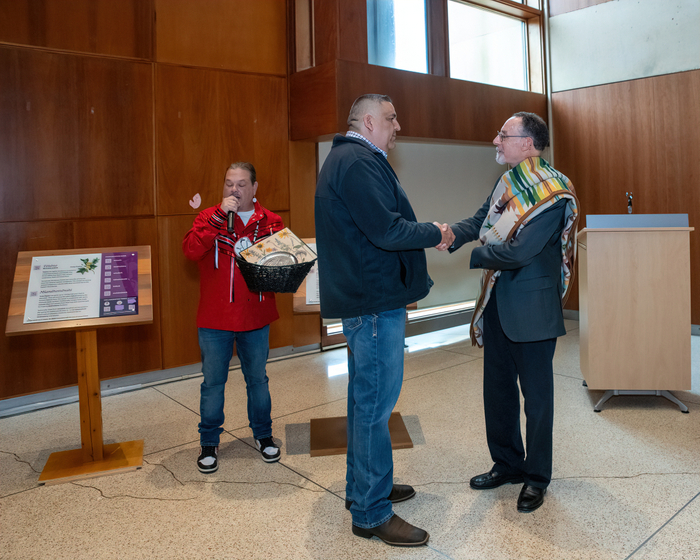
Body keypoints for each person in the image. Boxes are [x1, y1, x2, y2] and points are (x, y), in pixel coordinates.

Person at [315, 94, 454, 547]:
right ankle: (372, 513)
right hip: (373, 304)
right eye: (392, 118)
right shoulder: (356, 162)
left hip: (367, 299)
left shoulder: (354, 158)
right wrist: (436, 232)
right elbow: (386, 229)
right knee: (374, 409)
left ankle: (364, 489)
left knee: (365, 404)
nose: (399, 125)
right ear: (369, 121)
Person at [448, 112, 579, 513]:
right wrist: (450, 234)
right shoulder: (508, 183)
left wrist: (477, 254)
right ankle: (506, 464)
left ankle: (537, 478)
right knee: (498, 393)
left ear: (527, 143)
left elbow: (521, 251)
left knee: (537, 401)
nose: (495, 140)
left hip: (534, 311)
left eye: (503, 135)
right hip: (498, 305)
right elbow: (481, 219)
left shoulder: (552, 191)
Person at [183, 162, 285, 473]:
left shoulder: (271, 222)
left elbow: (282, 266)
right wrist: (215, 220)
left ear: (254, 188)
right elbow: (190, 251)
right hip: (215, 319)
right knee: (213, 384)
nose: (234, 190)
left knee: (258, 381)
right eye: (229, 183)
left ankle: (264, 435)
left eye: (241, 184)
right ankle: (209, 441)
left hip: (255, 316)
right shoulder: (208, 217)